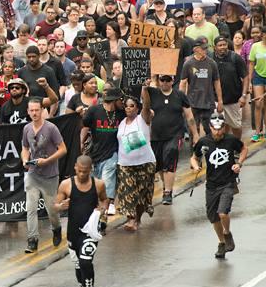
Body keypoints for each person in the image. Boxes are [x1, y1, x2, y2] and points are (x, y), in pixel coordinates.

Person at [52, 156, 107, 287]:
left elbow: (105, 200)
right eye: (80, 171)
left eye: (86, 171)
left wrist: (102, 210)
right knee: (78, 269)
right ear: (75, 167)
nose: (82, 174)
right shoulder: (66, 185)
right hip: (73, 233)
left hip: (90, 232)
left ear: (90, 170)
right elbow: (54, 205)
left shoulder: (98, 184)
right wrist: (60, 206)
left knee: (85, 261)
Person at [190, 113, 247, 259]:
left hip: (228, 182)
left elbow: (243, 149)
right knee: (214, 218)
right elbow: (194, 157)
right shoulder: (204, 142)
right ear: (210, 127)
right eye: (214, 129)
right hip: (211, 185)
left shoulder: (230, 140)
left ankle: (227, 233)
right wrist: (196, 166)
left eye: (220, 129)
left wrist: (238, 163)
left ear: (224, 128)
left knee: (223, 212)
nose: (217, 132)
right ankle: (222, 243)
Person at [21, 98, 66, 254]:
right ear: (28, 111)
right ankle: (32, 240)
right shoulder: (26, 129)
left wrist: (47, 160)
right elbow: (25, 148)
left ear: (42, 110)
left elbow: (63, 149)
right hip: (33, 174)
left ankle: (57, 228)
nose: (34, 113)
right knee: (31, 208)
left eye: (37, 110)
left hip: (50, 175)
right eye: (31, 110)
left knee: (51, 209)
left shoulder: (51, 128)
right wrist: (25, 160)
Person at [145, 75, 198, 204]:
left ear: (172, 81)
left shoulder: (180, 95)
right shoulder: (152, 93)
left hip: (175, 135)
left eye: (168, 80)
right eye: (162, 80)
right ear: (158, 81)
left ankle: (167, 192)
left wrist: (195, 134)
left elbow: (189, 116)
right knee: (161, 165)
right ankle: (166, 185)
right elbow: (145, 106)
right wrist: (145, 87)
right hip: (156, 136)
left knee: (170, 156)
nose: (165, 83)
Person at [81, 88, 123, 216]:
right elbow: (85, 127)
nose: (122, 102)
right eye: (120, 99)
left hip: (113, 151)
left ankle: (109, 203)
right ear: (114, 100)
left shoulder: (121, 113)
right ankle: (99, 204)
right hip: (96, 152)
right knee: (97, 180)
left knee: (108, 176)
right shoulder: (94, 110)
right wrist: (81, 144)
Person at [117, 95, 155, 232]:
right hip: (125, 164)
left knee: (141, 194)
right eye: (126, 106)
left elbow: (147, 106)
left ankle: (137, 218)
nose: (128, 108)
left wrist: (145, 90)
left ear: (137, 108)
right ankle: (131, 219)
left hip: (145, 163)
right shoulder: (121, 123)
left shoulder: (142, 119)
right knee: (128, 191)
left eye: (132, 105)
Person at [212, 36, 248, 138]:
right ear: (215, 47)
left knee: (236, 126)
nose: (222, 47)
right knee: (218, 127)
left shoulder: (235, 58)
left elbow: (245, 77)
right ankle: (223, 147)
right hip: (216, 100)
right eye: (220, 45)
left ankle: (237, 146)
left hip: (234, 100)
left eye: (224, 44)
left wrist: (244, 96)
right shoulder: (211, 59)